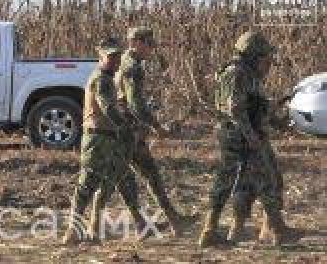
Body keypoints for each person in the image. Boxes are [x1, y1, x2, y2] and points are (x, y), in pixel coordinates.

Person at [198, 31, 291, 247]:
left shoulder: (244, 73)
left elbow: (254, 106)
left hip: (236, 134)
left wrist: (279, 114)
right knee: (267, 180)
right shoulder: (238, 73)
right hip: (239, 136)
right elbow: (236, 109)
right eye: (264, 57)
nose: (267, 63)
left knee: (230, 181)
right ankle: (277, 231)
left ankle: (212, 230)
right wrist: (251, 137)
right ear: (253, 55)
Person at [108, 26, 193, 237]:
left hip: (127, 129)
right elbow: (136, 105)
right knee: (125, 177)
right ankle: (146, 222)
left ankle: (171, 220)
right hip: (126, 130)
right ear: (136, 42)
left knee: (147, 173)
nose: (151, 49)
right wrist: (157, 127)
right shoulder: (132, 67)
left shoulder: (127, 62)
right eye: (148, 44)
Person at [62, 37, 141, 245]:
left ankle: (96, 228)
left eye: (117, 56)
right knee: (87, 183)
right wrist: (126, 125)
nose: (115, 61)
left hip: (107, 137)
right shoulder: (102, 79)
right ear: (101, 57)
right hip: (97, 138)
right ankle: (73, 230)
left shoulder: (108, 78)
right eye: (111, 57)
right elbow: (108, 110)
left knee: (119, 177)